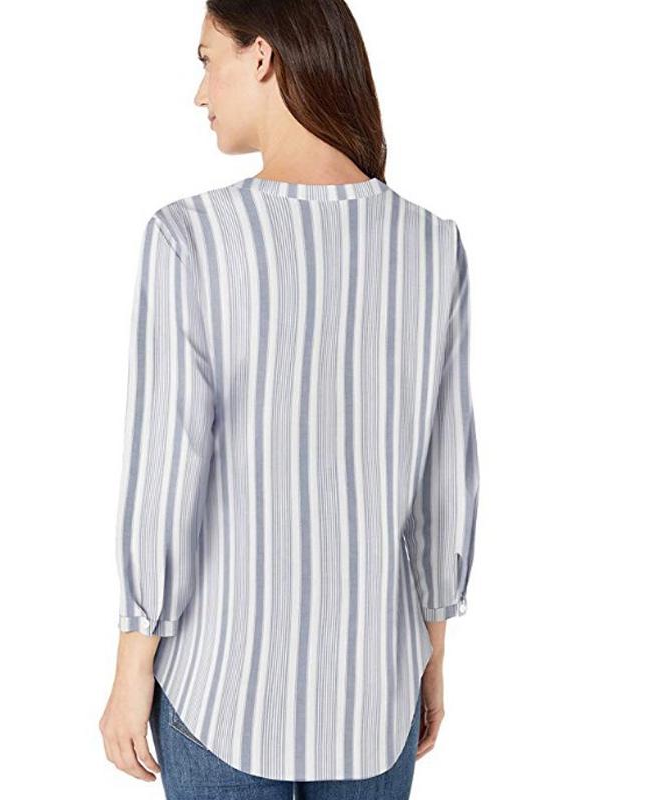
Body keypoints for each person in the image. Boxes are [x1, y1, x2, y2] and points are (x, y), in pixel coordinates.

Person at [99, 2, 480, 798]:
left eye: (207, 60)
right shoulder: (432, 245)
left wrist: (132, 665)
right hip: (376, 691)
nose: (200, 92)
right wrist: (433, 653)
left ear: (263, 57)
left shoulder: (189, 238)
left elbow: (168, 471)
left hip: (218, 689)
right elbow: (443, 480)